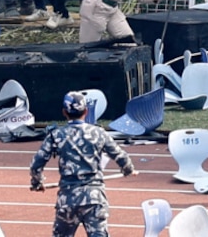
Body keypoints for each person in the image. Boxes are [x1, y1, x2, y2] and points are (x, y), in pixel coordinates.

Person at [29, 92, 137, 237]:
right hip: (94, 198)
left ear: (64, 112)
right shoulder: (99, 133)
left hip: (68, 198)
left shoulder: (56, 135)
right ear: (86, 112)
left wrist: (37, 183)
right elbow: (120, 155)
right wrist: (128, 169)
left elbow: (36, 164)